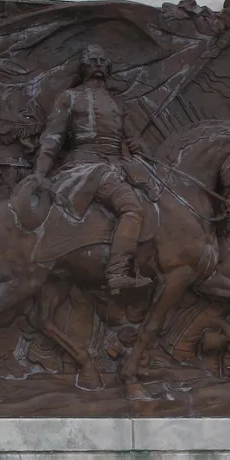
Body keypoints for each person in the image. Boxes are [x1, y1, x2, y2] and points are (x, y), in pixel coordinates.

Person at [31, 44, 155, 292]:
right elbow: (53, 138)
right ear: (85, 67)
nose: (98, 64)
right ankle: (118, 272)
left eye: (102, 60)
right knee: (132, 208)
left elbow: (134, 141)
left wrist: (141, 150)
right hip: (85, 168)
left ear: (107, 68)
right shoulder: (70, 97)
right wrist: (41, 172)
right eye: (93, 61)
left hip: (117, 167)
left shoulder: (116, 104)